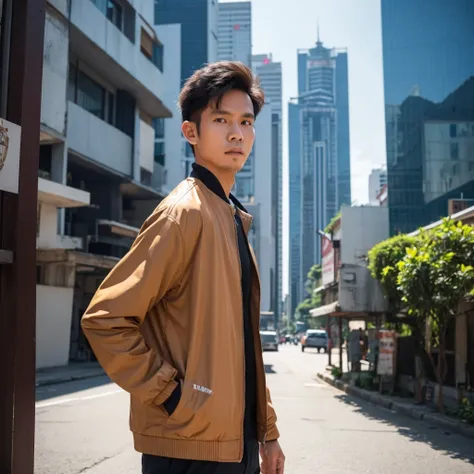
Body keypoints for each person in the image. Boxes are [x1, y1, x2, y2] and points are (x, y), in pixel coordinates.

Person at [81, 61, 285, 474]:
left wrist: (268, 432)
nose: (236, 134)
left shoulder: (229, 217)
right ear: (191, 132)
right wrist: (176, 396)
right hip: (187, 449)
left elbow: (242, 343)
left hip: (234, 444)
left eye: (246, 122)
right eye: (221, 119)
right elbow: (105, 319)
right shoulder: (183, 213)